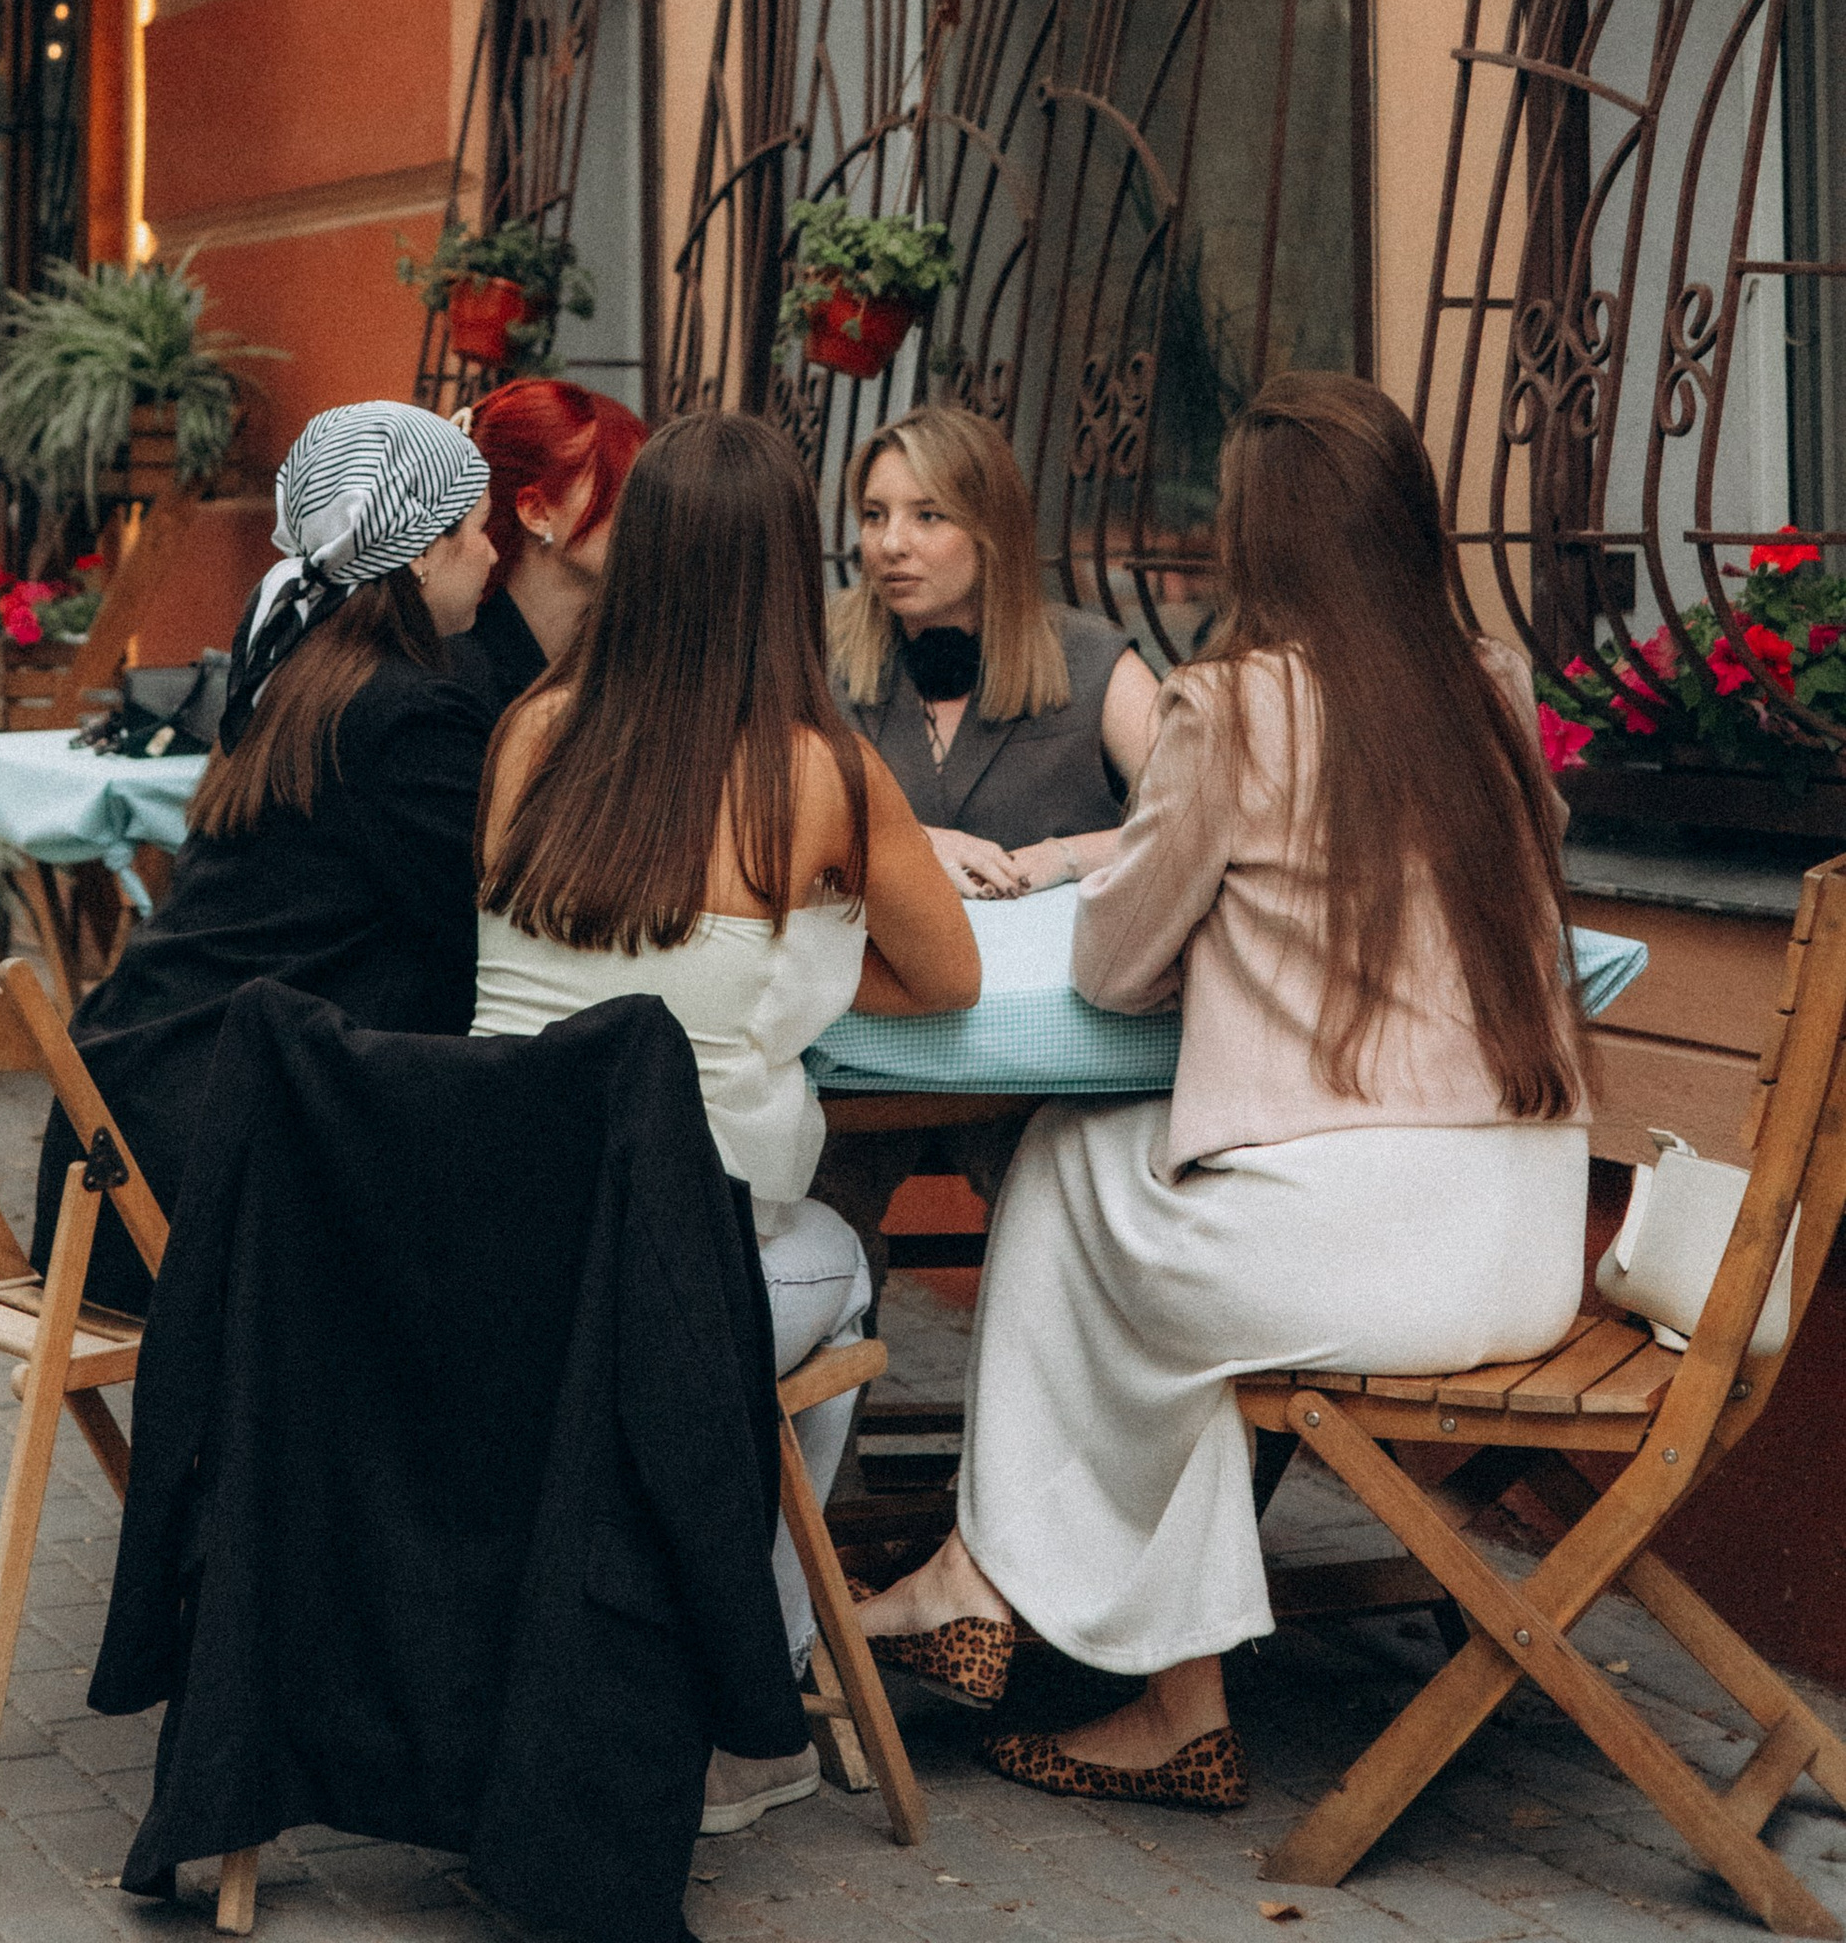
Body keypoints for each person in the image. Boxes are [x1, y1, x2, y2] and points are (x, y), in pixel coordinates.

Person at [852, 375, 1590, 1814]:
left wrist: (1152, 903)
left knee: (1070, 1161)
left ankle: (982, 1576)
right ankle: (1169, 1709)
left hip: (1359, 1255)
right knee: (1156, 1295)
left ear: (1261, 542)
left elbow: (1120, 970)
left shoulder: (1232, 706)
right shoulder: (1493, 687)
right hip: (1528, 1244)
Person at [472, 410, 980, 1834]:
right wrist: (811, 947)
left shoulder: (527, 734)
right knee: (839, 1262)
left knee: (758, 1261)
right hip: (669, 1288)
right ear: (782, 575)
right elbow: (948, 981)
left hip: (496, 1253)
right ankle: (752, 1683)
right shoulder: (815, 770)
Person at [30, 400, 497, 1309]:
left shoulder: (295, 673)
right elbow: (481, 929)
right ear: (422, 550)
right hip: (216, 1200)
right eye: (477, 530)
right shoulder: (401, 715)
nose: (491, 553)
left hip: (120, 1159)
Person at [837, 407, 1159, 899]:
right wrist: (906, 843)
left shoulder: (1094, 663)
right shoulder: (823, 660)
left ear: (991, 532)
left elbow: (1199, 823)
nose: (891, 543)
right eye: (875, 516)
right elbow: (746, 817)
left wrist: (1065, 856)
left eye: (928, 515)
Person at [444, 374, 649, 717]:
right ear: (536, 512)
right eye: (618, 492)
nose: (647, 513)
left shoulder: (633, 653)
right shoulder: (462, 683)